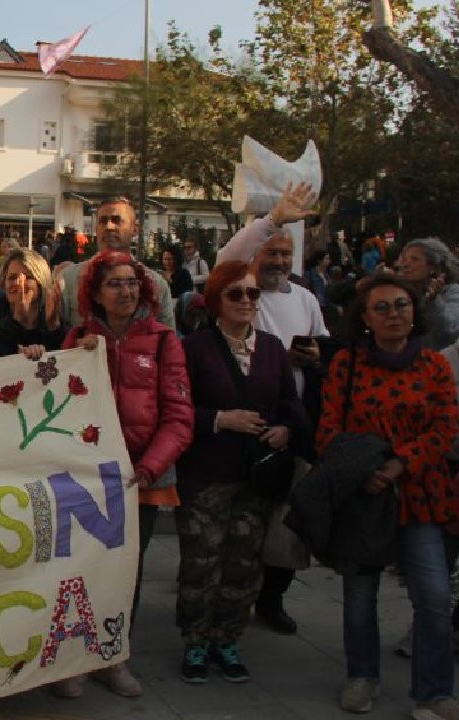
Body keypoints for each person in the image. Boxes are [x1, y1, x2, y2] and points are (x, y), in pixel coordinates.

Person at [55, 249, 194, 699]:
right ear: (95, 293)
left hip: (143, 481)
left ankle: (114, 657)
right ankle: (75, 660)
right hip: (89, 481)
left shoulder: (162, 340)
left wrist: (150, 466)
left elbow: (179, 415)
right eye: (114, 283)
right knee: (80, 569)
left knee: (125, 573)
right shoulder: (75, 339)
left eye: (132, 283)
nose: (126, 291)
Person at [318, 275, 459, 719]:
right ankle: (362, 676)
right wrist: (365, 473)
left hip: (421, 494)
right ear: (364, 318)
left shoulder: (434, 365)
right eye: (382, 307)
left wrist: (402, 463)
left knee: (434, 595)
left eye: (401, 305)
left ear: (415, 311)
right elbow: (328, 430)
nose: (394, 314)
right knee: (360, 596)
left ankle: (435, 691)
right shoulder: (348, 364)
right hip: (366, 497)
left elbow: (446, 427)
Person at [176, 261, 307, 684]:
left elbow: (290, 403)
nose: (247, 301)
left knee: (243, 565)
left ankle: (227, 640)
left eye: (253, 294)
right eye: (237, 294)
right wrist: (219, 419)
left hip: (257, 478)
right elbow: (177, 411)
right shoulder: (194, 349)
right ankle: (196, 642)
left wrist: (286, 430)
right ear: (216, 300)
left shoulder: (271, 348)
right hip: (206, 477)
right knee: (201, 563)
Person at [214, 182, 326, 635]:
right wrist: (273, 220)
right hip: (244, 426)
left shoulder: (307, 299)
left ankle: (272, 599)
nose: (278, 261)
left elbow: (325, 347)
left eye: (285, 254)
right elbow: (229, 257)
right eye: (271, 252)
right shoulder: (241, 291)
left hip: (291, 424)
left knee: (286, 524)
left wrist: (315, 358)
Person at [59, 198, 176, 329]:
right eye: (103, 221)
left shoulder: (156, 284)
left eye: (117, 220)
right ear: (96, 229)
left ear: (135, 229)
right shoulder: (69, 278)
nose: (109, 227)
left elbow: (169, 342)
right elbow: (56, 335)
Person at [0, 248, 65, 355]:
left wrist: (53, 327)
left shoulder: (54, 320)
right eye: (12, 277)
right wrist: (17, 320)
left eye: (27, 278)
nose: (18, 283)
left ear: (40, 283)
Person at [395, 238, 459, 350]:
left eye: (414, 259)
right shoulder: (399, 292)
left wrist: (434, 302)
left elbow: (450, 332)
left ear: (433, 267)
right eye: (404, 259)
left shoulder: (452, 291)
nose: (405, 264)